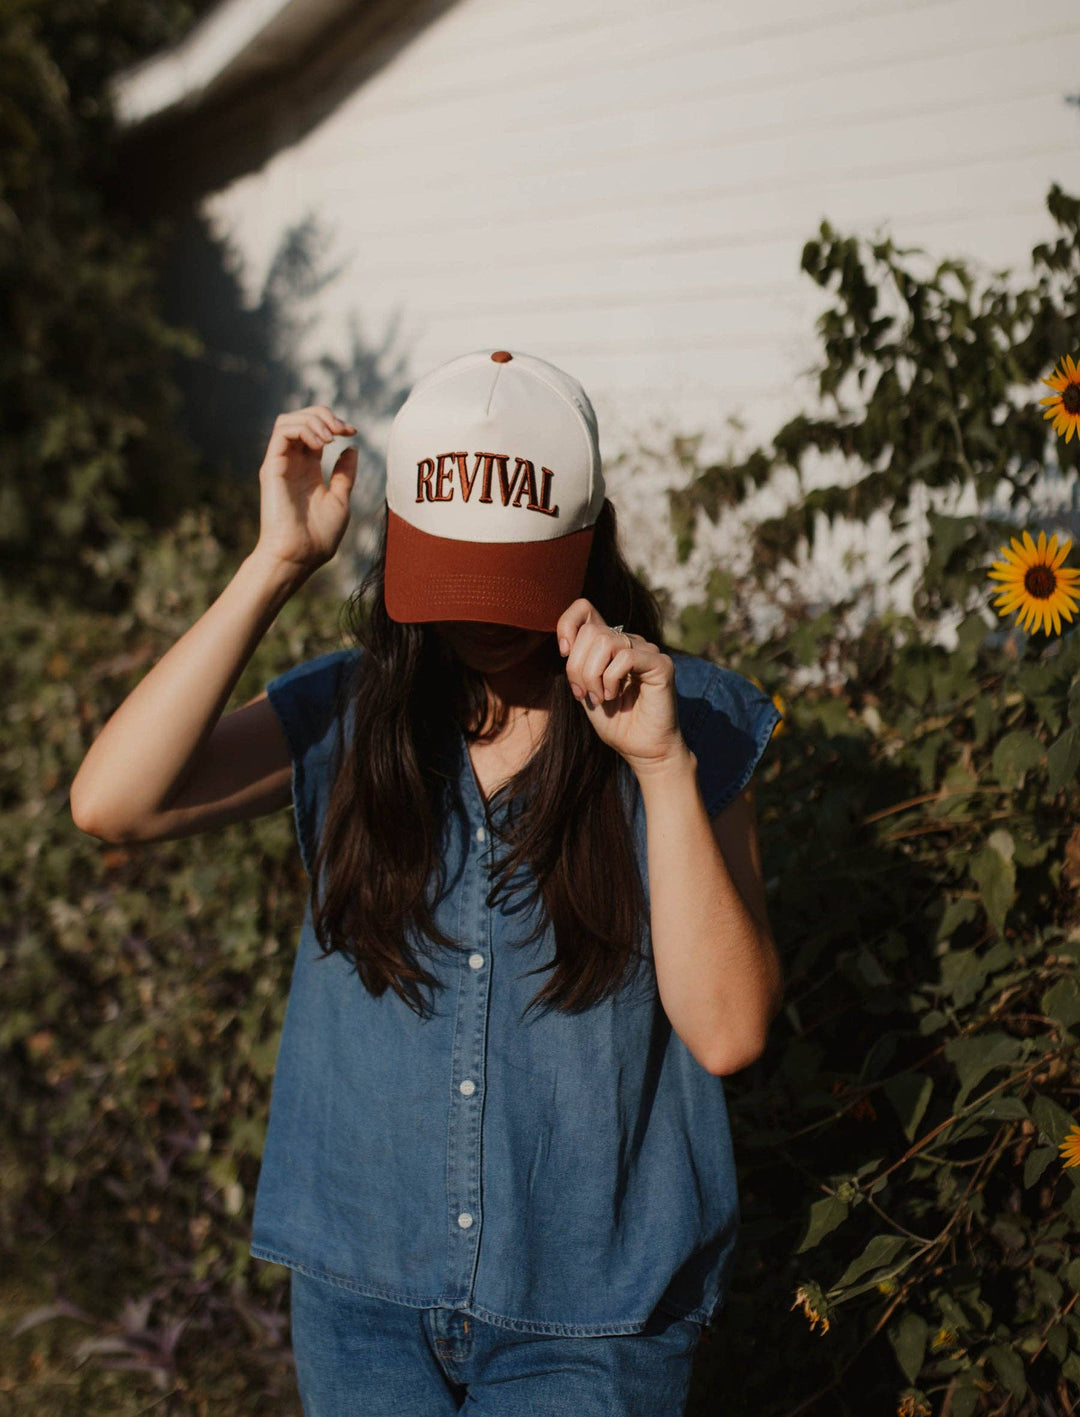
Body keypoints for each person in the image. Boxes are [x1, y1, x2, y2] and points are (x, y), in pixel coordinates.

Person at [71, 348, 784, 1416]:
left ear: (589, 542)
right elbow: (111, 802)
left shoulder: (688, 719)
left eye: (513, 583)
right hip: (360, 1300)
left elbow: (729, 1031)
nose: (480, 621)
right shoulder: (352, 716)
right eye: (452, 578)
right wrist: (274, 562)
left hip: (592, 1320)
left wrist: (660, 767)